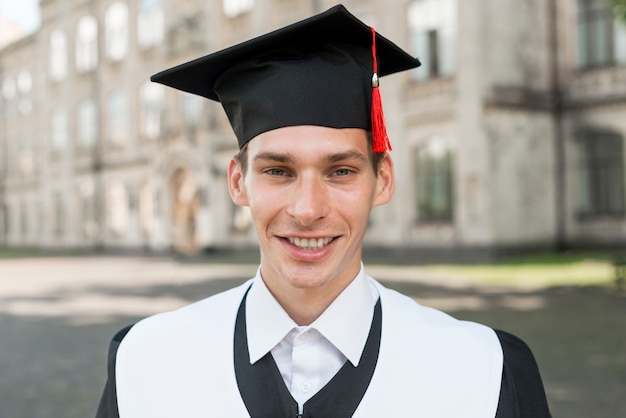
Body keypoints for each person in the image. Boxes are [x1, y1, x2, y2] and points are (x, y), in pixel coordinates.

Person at [96, 4, 551, 417]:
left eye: (340, 172)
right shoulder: (148, 363)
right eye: (278, 171)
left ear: (383, 179)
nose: (308, 209)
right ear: (238, 181)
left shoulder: (480, 371)